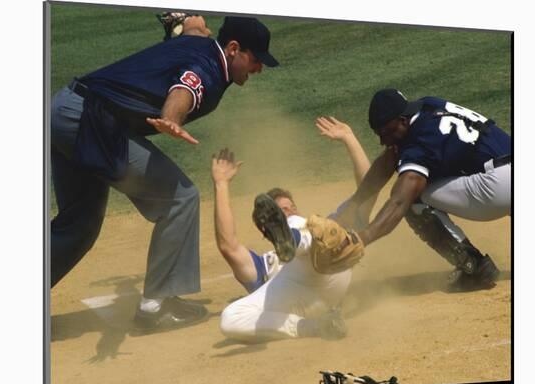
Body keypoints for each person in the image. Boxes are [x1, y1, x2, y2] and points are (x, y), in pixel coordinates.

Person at [50, 15, 279, 333]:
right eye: (254, 60)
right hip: (91, 123)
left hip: (65, 110)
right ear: (233, 48)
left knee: (80, 224)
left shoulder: (203, 44)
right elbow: (184, 90)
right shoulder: (210, 72)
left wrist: (187, 21)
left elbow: (194, 30)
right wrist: (172, 118)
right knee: (180, 197)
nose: (258, 68)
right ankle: (155, 306)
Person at [327, 89, 511, 291]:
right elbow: (389, 157)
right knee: (404, 156)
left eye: (386, 132)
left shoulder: (419, 144)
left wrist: (363, 238)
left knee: (413, 198)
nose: (382, 141)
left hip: (497, 188)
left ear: (403, 121)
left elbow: (399, 202)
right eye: (379, 134)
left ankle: (473, 267)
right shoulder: (428, 105)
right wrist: (355, 204)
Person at [210, 121, 373, 341]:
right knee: (230, 318)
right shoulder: (262, 266)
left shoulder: (325, 228)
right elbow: (227, 245)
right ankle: (317, 327)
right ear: (264, 228)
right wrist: (221, 184)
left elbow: (368, 193)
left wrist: (349, 138)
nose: (289, 212)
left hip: (330, 272)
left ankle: (296, 239)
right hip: (299, 302)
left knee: (318, 230)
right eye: (280, 213)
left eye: (291, 208)